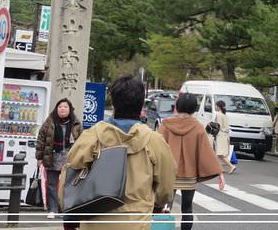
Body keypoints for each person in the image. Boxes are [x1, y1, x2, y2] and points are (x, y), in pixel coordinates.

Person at [62, 74, 177, 230]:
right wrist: (157, 205)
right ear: (141, 105)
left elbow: (68, 176)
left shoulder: (92, 136)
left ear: (114, 105)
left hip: (95, 222)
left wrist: (70, 217)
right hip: (137, 222)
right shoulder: (155, 141)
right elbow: (166, 187)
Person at [159, 93, 225, 230]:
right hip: (189, 175)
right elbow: (206, 152)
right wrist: (219, 173)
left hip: (169, 174)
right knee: (187, 209)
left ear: (176, 107)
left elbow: (156, 148)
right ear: (194, 109)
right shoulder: (198, 127)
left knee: (164, 208)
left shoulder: (165, 125)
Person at [35, 98, 82, 227]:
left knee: (68, 185)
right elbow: (41, 140)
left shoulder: (76, 123)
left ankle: (64, 209)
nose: (62, 109)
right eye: (60, 106)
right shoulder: (49, 122)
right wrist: (39, 157)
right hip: (52, 155)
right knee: (52, 184)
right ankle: (53, 209)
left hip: (69, 156)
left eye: (65, 107)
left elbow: (81, 142)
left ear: (70, 109)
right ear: (56, 108)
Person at [213, 100, 236, 174]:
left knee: (220, 153)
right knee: (218, 153)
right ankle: (220, 168)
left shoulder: (219, 115)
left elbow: (218, 127)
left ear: (218, 106)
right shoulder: (225, 115)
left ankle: (231, 166)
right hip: (225, 135)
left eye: (216, 106)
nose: (215, 107)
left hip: (220, 135)